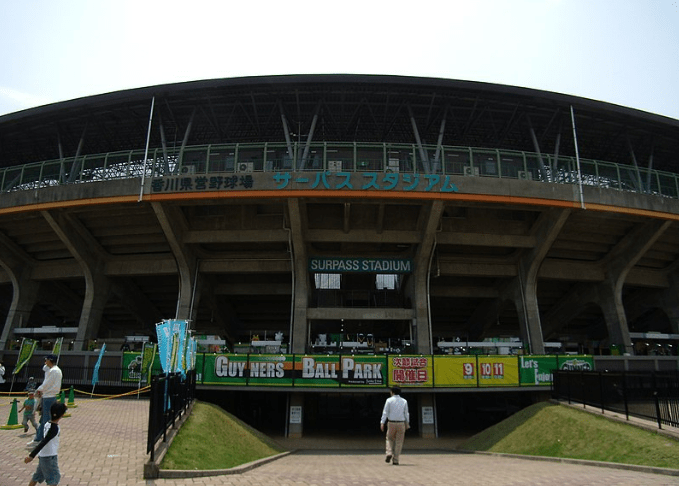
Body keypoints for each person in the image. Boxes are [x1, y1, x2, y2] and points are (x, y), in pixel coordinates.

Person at [24, 402, 68, 486]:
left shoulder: (48, 424)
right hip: (49, 457)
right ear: (62, 415)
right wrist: (31, 456)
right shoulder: (54, 428)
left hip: (43, 456)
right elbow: (43, 442)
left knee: (37, 476)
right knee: (54, 478)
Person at [28, 355, 62, 447]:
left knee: (46, 419)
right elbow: (45, 372)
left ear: (50, 360)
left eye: (46, 360)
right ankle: (39, 437)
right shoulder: (54, 370)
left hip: (48, 396)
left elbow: (47, 383)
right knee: (44, 418)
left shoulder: (53, 371)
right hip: (49, 396)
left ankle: (41, 439)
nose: (45, 362)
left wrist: (39, 390)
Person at [379, 386, 410, 465]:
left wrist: (382, 422)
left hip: (391, 422)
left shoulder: (389, 400)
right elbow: (406, 413)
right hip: (401, 423)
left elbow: (385, 412)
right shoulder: (404, 401)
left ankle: (389, 453)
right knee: (399, 442)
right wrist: (407, 423)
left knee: (389, 438)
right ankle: (396, 459)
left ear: (392, 392)